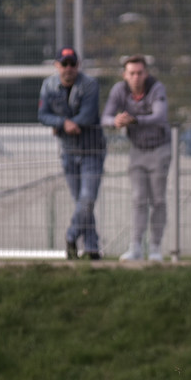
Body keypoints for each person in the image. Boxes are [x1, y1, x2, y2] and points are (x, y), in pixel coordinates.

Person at [102, 55, 171, 262]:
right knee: (138, 199)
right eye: (131, 73)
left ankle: (156, 247)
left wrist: (134, 120)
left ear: (146, 73)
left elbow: (160, 115)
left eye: (140, 73)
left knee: (158, 200)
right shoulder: (119, 90)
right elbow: (104, 117)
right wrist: (116, 121)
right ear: (125, 75)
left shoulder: (156, 88)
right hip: (136, 150)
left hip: (159, 149)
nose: (136, 77)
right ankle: (136, 246)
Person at [38, 47, 104, 260]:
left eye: (72, 64)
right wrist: (62, 123)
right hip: (68, 151)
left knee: (87, 199)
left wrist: (66, 124)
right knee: (80, 202)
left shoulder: (90, 85)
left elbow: (88, 114)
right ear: (56, 65)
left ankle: (71, 235)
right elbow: (43, 114)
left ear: (78, 65)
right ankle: (92, 248)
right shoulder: (48, 86)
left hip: (92, 151)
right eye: (64, 64)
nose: (68, 68)